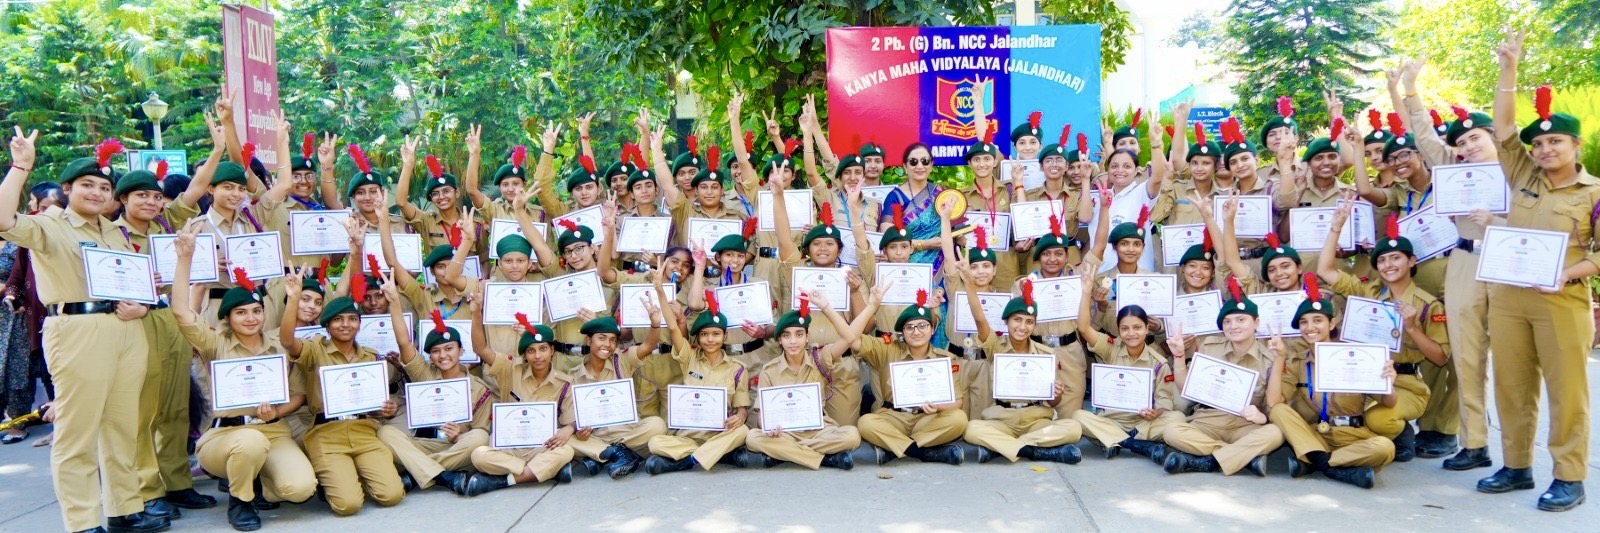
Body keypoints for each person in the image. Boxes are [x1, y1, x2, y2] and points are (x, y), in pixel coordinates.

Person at [0, 132, 169, 532]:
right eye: (87, 185)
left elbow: (131, 284)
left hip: (126, 329)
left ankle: (124, 509)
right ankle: (82, 521)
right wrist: (21, 166)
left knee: (122, 427)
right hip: (76, 330)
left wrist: (143, 300)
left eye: (104, 187)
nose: (96, 193)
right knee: (77, 432)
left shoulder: (113, 231)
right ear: (68, 189)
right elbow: (4, 221)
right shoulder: (50, 225)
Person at [1476, 30, 1593, 512]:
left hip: (1561, 301)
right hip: (1509, 298)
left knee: (1567, 393)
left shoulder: (1593, 192)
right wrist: (1509, 68)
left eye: (1555, 141)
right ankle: (1517, 465)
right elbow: (1504, 129)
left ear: (1576, 144)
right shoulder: (1524, 174)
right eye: (1539, 143)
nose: (1545, 149)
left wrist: (1567, 273)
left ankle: (1569, 476)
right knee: (1512, 386)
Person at [171, 221, 317, 531]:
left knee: (301, 489)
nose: (250, 318)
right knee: (249, 441)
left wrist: (277, 412)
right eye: (241, 312)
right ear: (227, 317)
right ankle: (241, 500)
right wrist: (185, 258)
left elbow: (298, 394)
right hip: (226, 435)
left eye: (256, 311)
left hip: (273, 431)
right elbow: (181, 312)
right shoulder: (214, 342)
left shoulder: (278, 343)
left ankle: (259, 480)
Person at [116, 116, 226, 520]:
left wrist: (217, 149)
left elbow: (197, 188)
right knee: (146, 410)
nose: (150, 202)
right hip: (135, 323)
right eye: (140, 196)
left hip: (171, 319)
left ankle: (178, 483)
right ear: (123, 200)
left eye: (155, 196)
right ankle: (149, 490)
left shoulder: (167, 223)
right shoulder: (110, 235)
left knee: (179, 405)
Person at [1317, 202, 1449, 463]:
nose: (1388, 265)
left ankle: (1399, 432)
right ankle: (1371, 441)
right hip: (1365, 376)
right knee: (1327, 408)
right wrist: (1336, 228)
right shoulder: (1368, 292)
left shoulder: (1427, 305)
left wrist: (1412, 328)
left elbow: (1441, 357)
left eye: (1395, 258)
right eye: (1382, 260)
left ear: (1411, 261)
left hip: (1404, 383)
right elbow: (1325, 271)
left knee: (1378, 420)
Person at [277, 267, 405, 516]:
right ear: (327, 325)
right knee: (348, 505)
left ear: (359, 324)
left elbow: (376, 405)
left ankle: (349, 477)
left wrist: (385, 408)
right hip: (327, 434)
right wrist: (293, 298)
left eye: (352, 319)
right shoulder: (314, 350)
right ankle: (338, 481)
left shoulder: (370, 357)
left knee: (392, 495)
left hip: (364, 431)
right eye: (338, 319)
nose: (346, 324)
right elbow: (287, 341)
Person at [1265, 273, 1397, 489]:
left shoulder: (1356, 356)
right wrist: (1279, 358)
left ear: (1332, 323)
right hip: (1314, 434)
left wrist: (1389, 382)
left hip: (1353, 436)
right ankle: (1336, 467)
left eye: (1318, 320)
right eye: (1304, 322)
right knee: (1279, 411)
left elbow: (1389, 402)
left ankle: (1317, 462)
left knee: (1385, 448)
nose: (1310, 327)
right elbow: (1273, 402)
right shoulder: (1298, 362)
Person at [1161, 277, 1284, 476]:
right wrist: (1179, 356)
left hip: (1245, 425)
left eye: (1241, 320)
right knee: (1171, 431)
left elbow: (1273, 404)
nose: (1233, 326)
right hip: (1209, 420)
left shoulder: (1269, 358)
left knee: (1275, 433)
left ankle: (1205, 461)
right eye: (1227, 321)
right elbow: (1186, 389)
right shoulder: (1210, 347)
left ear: (1256, 322)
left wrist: (1263, 417)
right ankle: (1241, 457)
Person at [959, 276, 1084, 465]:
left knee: (1074, 428)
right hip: (1002, 419)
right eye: (1017, 320)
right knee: (971, 429)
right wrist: (969, 284)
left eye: (1029, 322)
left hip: (1036, 421)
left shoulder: (1046, 354)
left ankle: (1001, 447)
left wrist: (1056, 394)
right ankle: (1036, 452)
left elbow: (1053, 402)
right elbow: (980, 319)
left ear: (1034, 325)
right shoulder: (995, 347)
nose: (1022, 327)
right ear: (1006, 322)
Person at [374, 298, 493, 494]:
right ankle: (442, 476)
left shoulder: (479, 388)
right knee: (385, 433)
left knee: (480, 438)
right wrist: (394, 300)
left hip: (456, 448)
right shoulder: (424, 374)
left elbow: (481, 430)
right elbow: (403, 342)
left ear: (461, 350)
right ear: (430, 357)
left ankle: (417, 472)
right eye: (436, 351)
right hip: (423, 443)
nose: (443, 355)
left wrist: (459, 435)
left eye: (449, 348)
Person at [743, 291, 868, 470]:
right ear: (779, 340)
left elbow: (849, 338)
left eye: (799, 334)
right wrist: (769, 428)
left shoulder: (819, 358)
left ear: (808, 337)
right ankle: (825, 459)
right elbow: (762, 414)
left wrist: (825, 306)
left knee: (852, 435)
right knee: (752, 438)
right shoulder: (769, 370)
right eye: (786, 336)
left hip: (818, 431)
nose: (793, 341)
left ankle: (785, 454)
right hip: (785, 433)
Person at [644, 274, 755, 474]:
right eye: (704, 335)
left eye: (716, 334)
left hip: (719, 433)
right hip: (688, 436)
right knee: (654, 443)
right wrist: (660, 290)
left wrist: (740, 416)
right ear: (698, 338)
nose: (710, 340)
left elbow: (742, 409)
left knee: (743, 430)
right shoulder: (689, 358)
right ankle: (719, 454)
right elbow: (673, 327)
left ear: (725, 336)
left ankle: (688, 460)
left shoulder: (737, 368)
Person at [459, 316, 581, 495]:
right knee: (478, 455)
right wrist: (476, 311)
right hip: (509, 447)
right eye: (531, 351)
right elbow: (481, 349)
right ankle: (544, 471)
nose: (537, 356)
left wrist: (570, 428)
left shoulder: (565, 383)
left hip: (541, 446)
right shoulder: (510, 369)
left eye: (543, 349)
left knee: (566, 451)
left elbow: (572, 419)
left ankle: (504, 480)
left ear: (552, 350)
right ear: (525, 355)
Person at [1071, 269, 1182, 462]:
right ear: (1119, 331)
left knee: (1177, 418)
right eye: (1125, 328)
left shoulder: (1159, 362)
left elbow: (1164, 402)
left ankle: (1113, 441)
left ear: (1147, 329)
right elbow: (1084, 328)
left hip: (1142, 423)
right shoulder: (1110, 348)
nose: (1131, 333)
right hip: (1111, 421)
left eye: (1137, 327)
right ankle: (1136, 445)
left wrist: (1155, 413)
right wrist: (1086, 291)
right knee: (1078, 416)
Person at [851, 289, 968, 466]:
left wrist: (938, 407)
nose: (916, 332)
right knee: (866, 423)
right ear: (902, 332)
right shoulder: (887, 348)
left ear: (932, 329)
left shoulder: (945, 359)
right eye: (909, 327)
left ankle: (894, 448)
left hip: (926, 419)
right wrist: (872, 306)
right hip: (894, 417)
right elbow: (852, 339)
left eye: (922, 326)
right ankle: (925, 453)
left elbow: (958, 402)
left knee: (959, 419)